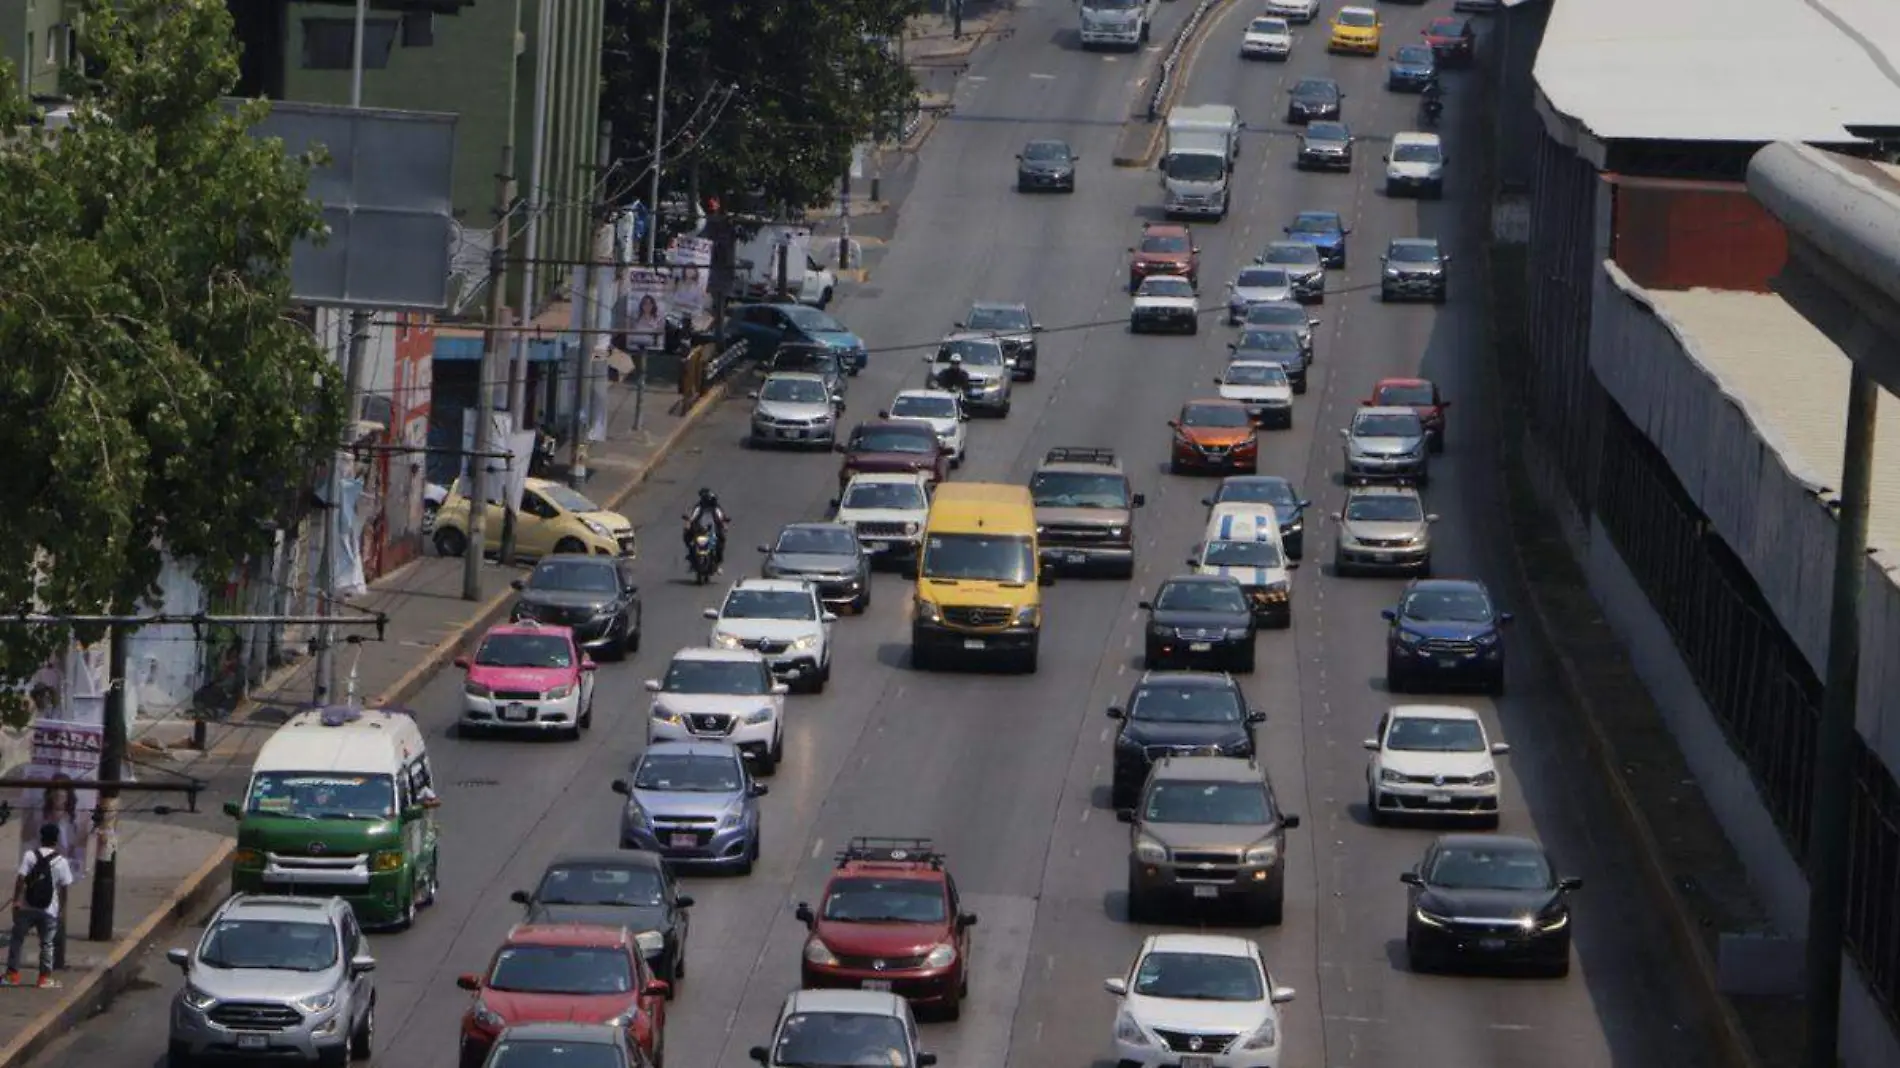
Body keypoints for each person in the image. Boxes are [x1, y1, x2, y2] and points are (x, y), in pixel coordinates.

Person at [4, 824, 75, 988]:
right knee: (47, 943)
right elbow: (64, 888)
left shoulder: (30, 855)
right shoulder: (61, 861)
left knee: (17, 940)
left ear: (41, 838)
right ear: (56, 840)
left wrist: (16, 901)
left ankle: (12, 975)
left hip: (26, 907)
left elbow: (20, 879)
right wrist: (62, 910)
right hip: (49, 909)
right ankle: (44, 978)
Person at [682, 488, 731, 570]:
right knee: (688, 537)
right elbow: (693, 516)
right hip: (699, 530)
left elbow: (721, 517)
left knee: (721, 542)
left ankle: (717, 562)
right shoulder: (699, 507)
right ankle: (692, 558)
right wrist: (688, 522)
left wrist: (724, 524)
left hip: (713, 530)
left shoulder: (716, 508)